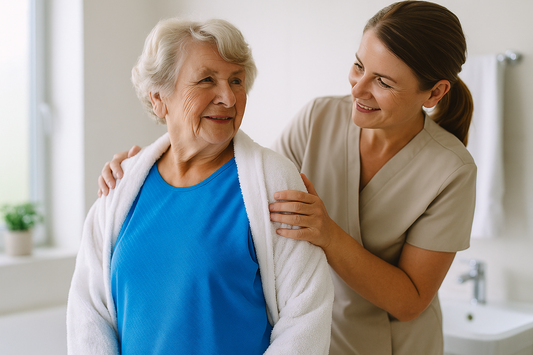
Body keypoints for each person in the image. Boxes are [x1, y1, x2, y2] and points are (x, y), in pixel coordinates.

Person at [98, 2, 477, 354]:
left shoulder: (452, 171)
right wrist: (146, 165)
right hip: (312, 339)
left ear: (434, 92)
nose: (357, 89)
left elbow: (410, 300)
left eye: (384, 82)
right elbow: (249, 175)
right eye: (359, 66)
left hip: (387, 346)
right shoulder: (319, 119)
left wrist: (327, 234)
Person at [67, 18, 334, 355]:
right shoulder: (122, 186)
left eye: (236, 80)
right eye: (207, 79)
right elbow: (88, 314)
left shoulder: (274, 182)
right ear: (160, 98)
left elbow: (306, 315)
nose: (228, 97)